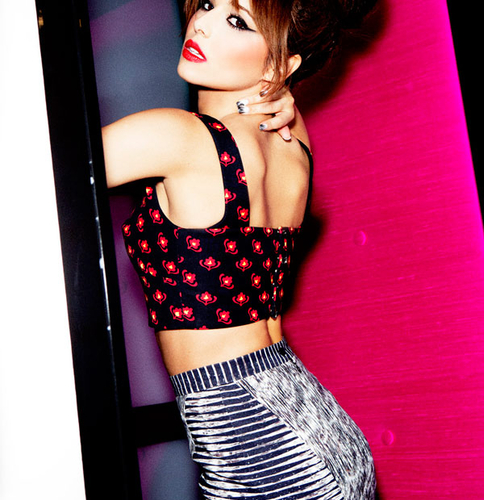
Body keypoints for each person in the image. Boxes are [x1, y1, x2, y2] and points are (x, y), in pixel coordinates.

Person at [103, 0, 377, 498]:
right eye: (209, 4)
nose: (202, 24)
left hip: (255, 446)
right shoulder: (294, 142)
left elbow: (37, 163)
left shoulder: (176, 137)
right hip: (318, 425)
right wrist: (281, 90)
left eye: (237, 22)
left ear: (281, 65)